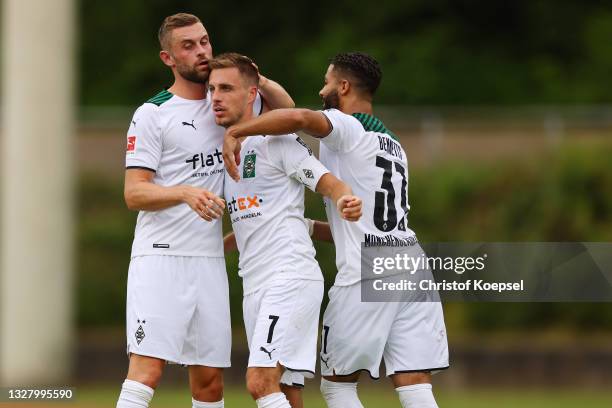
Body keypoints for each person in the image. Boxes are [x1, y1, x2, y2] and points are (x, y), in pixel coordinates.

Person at [221, 52, 449, 408]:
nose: (321, 89)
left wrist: (236, 130)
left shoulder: (348, 126)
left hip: (367, 271)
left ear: (343, 86)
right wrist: (306, 226)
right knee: (414, 383)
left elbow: (296, 116)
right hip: (411, 264)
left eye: (327, 81)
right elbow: (367, 221)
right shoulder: (394, 144)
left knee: (337, 386)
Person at [118, 13, 294, 408]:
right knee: (148, 371)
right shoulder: (153, 114)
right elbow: (134, 194)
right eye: (188, 46)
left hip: (209, 261)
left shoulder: (227, 101)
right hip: (161, 258)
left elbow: (286, 108)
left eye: (204, 42)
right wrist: (184, 193)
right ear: (168, 58)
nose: (200, 51)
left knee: (211, 383)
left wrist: (253, 77)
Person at [208, 53, 362, 408]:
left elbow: (329, 183)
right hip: (255, 285)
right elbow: (253, 220)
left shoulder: (276, 142)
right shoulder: (228, 151)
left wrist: (345, 200)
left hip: (289, 278)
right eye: (212, 88)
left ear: (251, 94)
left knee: (260, 382)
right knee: (288, 392)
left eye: (227, 88)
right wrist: (215, 249)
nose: (215, 96)